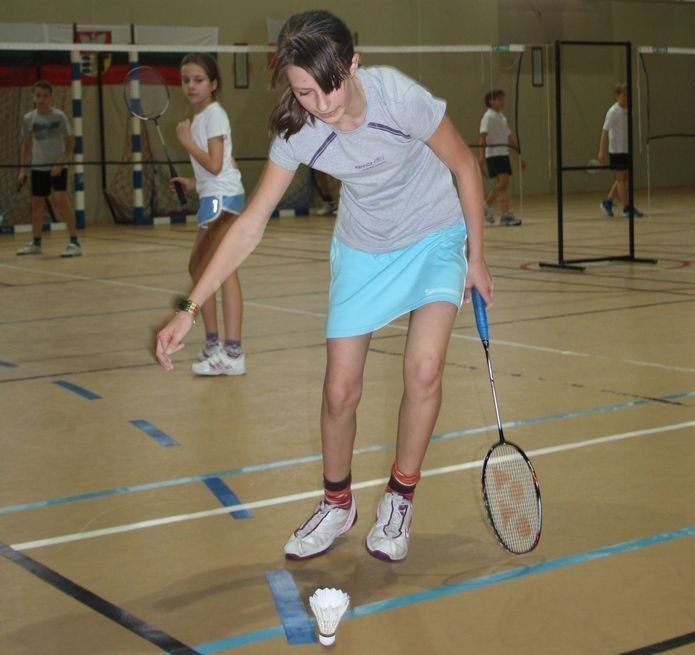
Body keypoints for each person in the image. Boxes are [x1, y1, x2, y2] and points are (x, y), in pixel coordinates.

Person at [155, 10, 493, 562]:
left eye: (329, 86)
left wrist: (476, 257)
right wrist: (189, 308)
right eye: (306, 92)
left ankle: (399, 497)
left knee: (425, 367)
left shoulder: (399, 97)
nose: (324, 104)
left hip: (433, 235)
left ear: (352, 64)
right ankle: (338, 504)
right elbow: (249, 226)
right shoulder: (301, 133)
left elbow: (465, 167)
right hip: (363, 248)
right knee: (339, 390)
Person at [171, 53, 247, 375]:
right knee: (201, 268)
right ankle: (215, 343)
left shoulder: (214, 114)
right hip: (213, 195)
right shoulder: (202, 116)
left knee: (217, 270)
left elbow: (216, 164)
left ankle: (231, 351)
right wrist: (194, 182)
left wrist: (187, 143)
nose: (191, 85)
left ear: (214, 84)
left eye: (198, 80)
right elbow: (218, 165)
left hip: (223, 200)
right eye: (186, 79)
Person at [16, 80, 81, 257]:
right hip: (38, 167)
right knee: (37, 204)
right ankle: (36, 243)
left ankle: (74, 242)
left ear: (51, 97)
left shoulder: (59, 117)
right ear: (33, 98)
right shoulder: (29, 118)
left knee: (61, 200)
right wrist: (22, 170)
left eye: (45, 96)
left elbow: (70, 143)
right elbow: (25, 144)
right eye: (38, 96)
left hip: (57, 167)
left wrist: (60, 163)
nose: (42, 99)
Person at [478, 89, 524, 227]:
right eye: (499, 99)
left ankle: (505, 216)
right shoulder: (488, 117)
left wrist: (519, 157)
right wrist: (481, 157)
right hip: (494, 155)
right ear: (491, 101)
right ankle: (485, 206)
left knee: (504, 186)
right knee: (503, 183)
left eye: (503, 99)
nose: (502, 102)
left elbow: (510, 139)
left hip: (503, 154)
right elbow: (482, 137)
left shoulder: (502, 118)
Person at [597, 83, 642, 218]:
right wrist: (601, 151)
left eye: (628, 95)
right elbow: (604, 131)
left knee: (622, 178)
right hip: (616, 150)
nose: (626, 98)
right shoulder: (613, 112)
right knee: (621, 178)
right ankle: (627, 208)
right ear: (617, 96)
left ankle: (607, 202)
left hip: (626, 149)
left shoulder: (629, 110)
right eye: (623, 95)